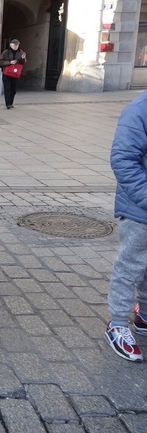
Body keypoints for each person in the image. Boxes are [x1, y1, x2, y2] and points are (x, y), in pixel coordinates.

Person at [104, 90, 147, 362]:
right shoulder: (140, 109)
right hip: (140, 210)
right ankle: (117, 324)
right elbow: (123, 159)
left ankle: (143, 315)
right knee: (130, 265)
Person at [0, 39, 27, 109]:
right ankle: (8, 104)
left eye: (17, 45)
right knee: (7, 88)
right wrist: (9, 62)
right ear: (11, 45)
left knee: (13, 89)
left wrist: (23, 59)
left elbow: (23, 63)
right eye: (15, 44)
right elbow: (0, 62)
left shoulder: (21, 52)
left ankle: (11, 102)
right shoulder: (5, 52)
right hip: (7, 73)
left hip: (15, 73)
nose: (16, 46)